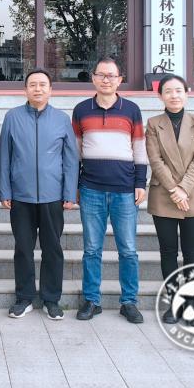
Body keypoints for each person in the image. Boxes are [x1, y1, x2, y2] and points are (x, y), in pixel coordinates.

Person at [0, 69, 79, 320]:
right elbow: (4, 156)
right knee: (23, 248)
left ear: (50, 90)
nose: (38, 89)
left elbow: (70, 158)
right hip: (21, 196)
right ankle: (24, 298)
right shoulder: (12, 117)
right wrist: (5, 190)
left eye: (43, 85)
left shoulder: (61, 119)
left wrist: (69, 192)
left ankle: (51, 299)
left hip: (52, 196)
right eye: (32, 84)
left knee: (52, 248)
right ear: (25, 89)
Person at [72, 57, 148, 323]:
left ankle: (129, 302)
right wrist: (74, 186)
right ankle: (92, 300)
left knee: (128, 250)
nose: (106, 80)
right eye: (101, 75)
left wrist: (140, 183)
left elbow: (139, 149)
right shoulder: (81, 110)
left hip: (124, 191)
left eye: (111, 76)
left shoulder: (132, 110)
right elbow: (75, 153)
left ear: (119, 80)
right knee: (92, 249)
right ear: (93, 78)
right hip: (91, 189)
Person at [144, 74, 194, 324]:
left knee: (192, 253)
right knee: (168, 252)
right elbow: (155, 160)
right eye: (168, 91)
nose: (174, 95)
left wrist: (184, 188)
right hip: (164, 194)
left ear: (187, 93)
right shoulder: (153, 123)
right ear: (160, 95)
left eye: (178, 91)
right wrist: (175, 190)